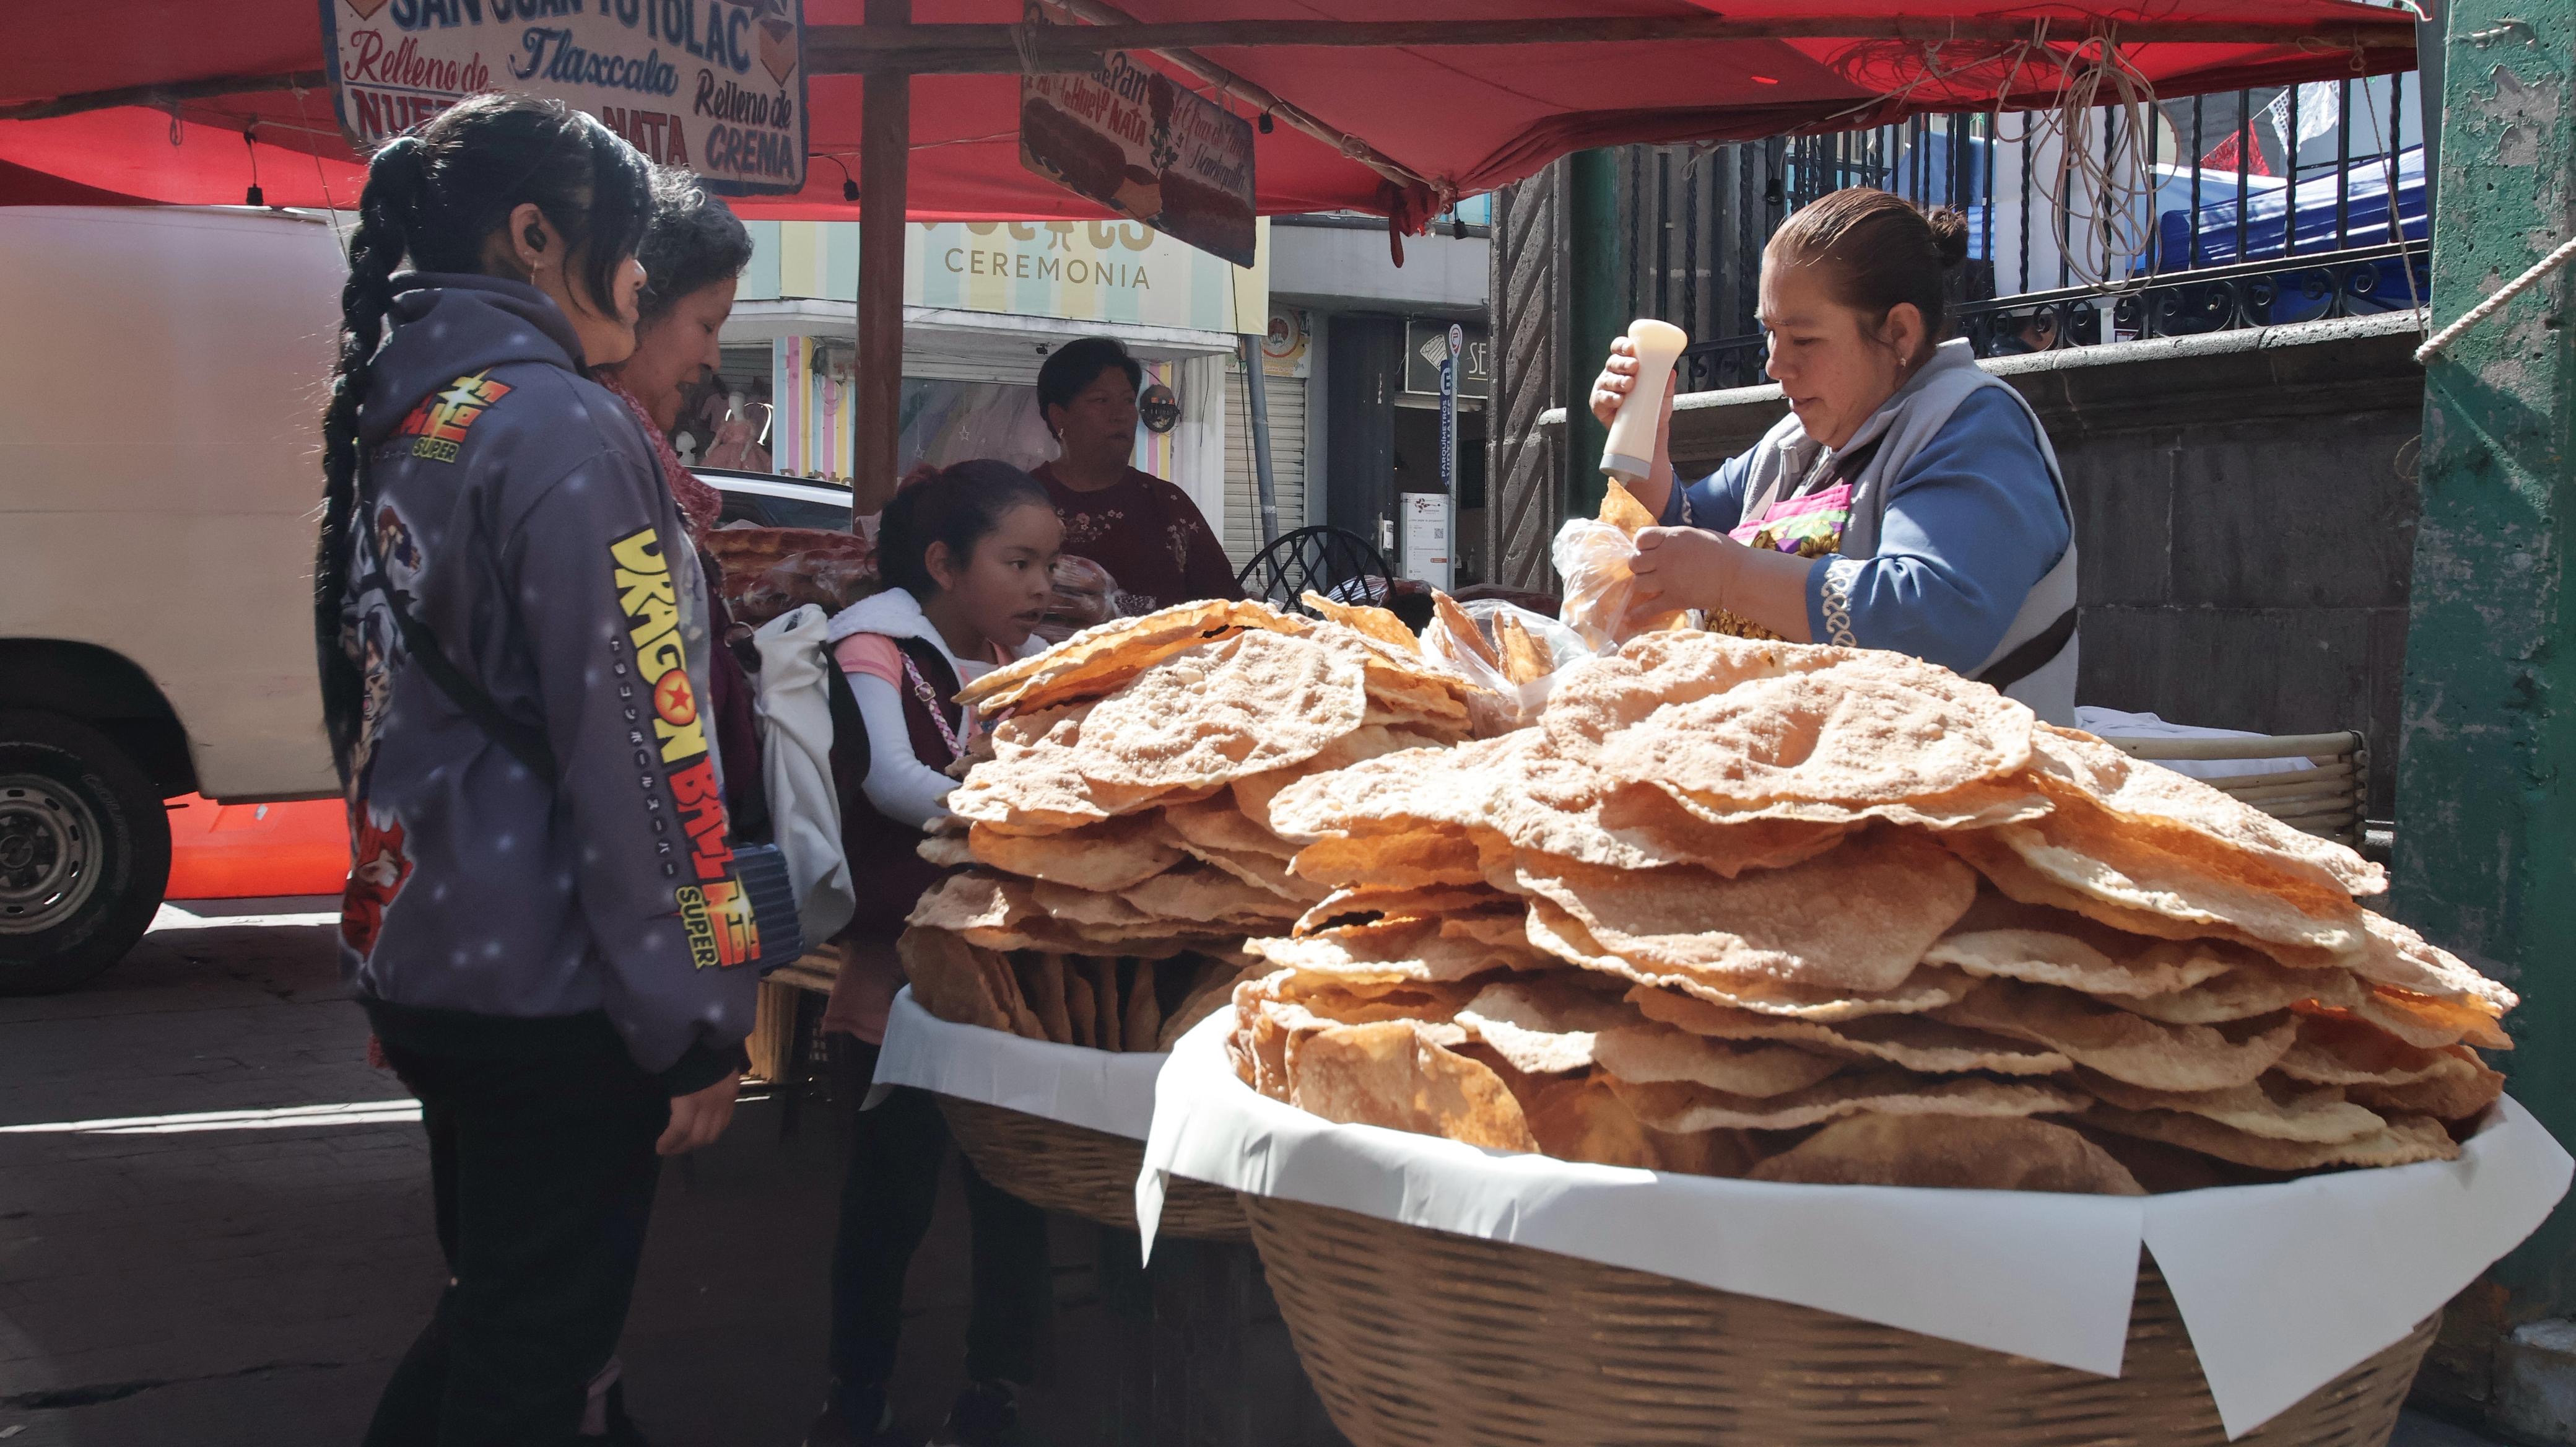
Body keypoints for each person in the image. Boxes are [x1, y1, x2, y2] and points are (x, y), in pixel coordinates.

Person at [313, 95, 757, 1446]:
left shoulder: (417, 415)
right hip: (559, 991)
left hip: (433, 958)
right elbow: (652, 746)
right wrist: (702, 1006)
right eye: (630, 249)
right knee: (528, 1357)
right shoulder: (567, 427)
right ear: (533, 237)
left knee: (496, 1314)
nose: (639, 280)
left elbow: (363, 705)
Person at [1590, 188, 2080, 722]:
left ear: (1900, 332)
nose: (1776, 365)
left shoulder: (1976, 428)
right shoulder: (1794, 445)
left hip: (1973, 788)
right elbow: (1683, 536)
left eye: (1803, 339)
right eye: (1770, 333)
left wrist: (1733, 577)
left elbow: (1932, 616)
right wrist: (1649, 437)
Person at [806, 461, 1064, 1447]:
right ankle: (855, 1387)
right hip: (899, 976)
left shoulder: (1025, 656)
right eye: (1019, 560)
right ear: (945, 563)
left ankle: (993, 1385)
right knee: (887, 1202)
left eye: (1049, 561)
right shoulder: (874, 643)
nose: (1041, 582)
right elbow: (891, 779)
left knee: (1011, 1194)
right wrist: (1027, 817)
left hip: (1008, 975)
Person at [593, 172, 770, 835]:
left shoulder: (629, 455)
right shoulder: (605, 462)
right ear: (635, 300)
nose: (712, 356)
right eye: (706, 324)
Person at [1030, 336, 1240, 613]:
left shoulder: (1168, 504)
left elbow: (1226, 608)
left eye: (1128, 400)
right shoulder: (1022, 503)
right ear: (1059, 417)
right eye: (1101, 400)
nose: (1120, 415)